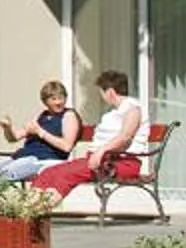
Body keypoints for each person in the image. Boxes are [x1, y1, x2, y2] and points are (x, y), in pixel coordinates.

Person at [33, 70, 146, 201]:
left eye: (102, 92)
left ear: (110, 91)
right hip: (101, 161)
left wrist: (101, 152)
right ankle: (25, 209)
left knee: (65, 175)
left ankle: (38, 212)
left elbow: (125, 137)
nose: (102, 96)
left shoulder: (133, 109)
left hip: (120, 163)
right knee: (49, 172)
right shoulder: (114, 112)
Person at [0, 82, 83, 183]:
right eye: (53, 99)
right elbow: (14, 138)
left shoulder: (69, 115)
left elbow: (66, 146)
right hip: (22, 156)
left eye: (61, 98)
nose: (58, 102)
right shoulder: (41, 116)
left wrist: (41, 132)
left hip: (43, 160)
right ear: (45, 101)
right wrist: (7, 128)